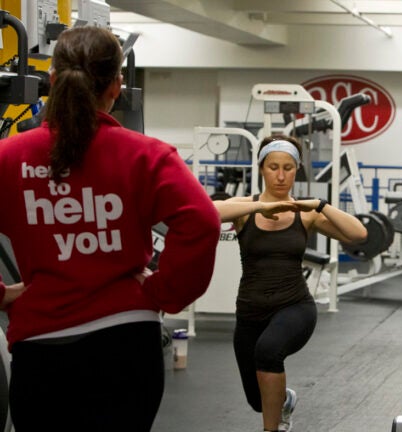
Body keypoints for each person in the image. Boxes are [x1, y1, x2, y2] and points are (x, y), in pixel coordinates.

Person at [0, 27, 221, 431]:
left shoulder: (9, 157)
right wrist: (162, 292)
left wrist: (2, 295)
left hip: (41, 349)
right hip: (126, 344)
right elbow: (202, 221)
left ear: (52, 81)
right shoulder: (147, 155)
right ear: (117, 86)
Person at [213, 134, 367, 432]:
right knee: (259, 401)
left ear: (296, 169)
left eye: (288, 167)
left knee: (268, 352)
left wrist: (320, 205)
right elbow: (208, 211)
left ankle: (272, 429)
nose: (281, 175)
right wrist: (259, 208)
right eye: (273, 167)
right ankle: (282, 401)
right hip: (250, 311)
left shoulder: (306, 213)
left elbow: (359, 234)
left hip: (295, 306)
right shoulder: (245, 209)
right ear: (261, 168)